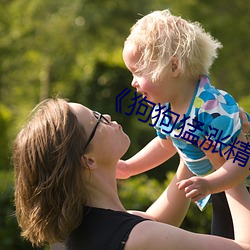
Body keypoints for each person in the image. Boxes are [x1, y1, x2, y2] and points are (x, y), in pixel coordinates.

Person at [13, 98, 250, 250]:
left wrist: (189, 147)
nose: (106, 116)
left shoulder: (73, 234)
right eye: (97, 120)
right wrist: (231, 158)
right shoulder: (138, 238)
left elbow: (156, 221)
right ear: (88, 160)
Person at [118, 9, 250, 239]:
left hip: (238, 185)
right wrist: (130, 167)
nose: (133, 83)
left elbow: (241, 160)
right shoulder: (163, 109)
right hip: (219, 188)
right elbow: (166, 145)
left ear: (173, 67)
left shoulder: (212, 107)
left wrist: (209, 183)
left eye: (138, 72)